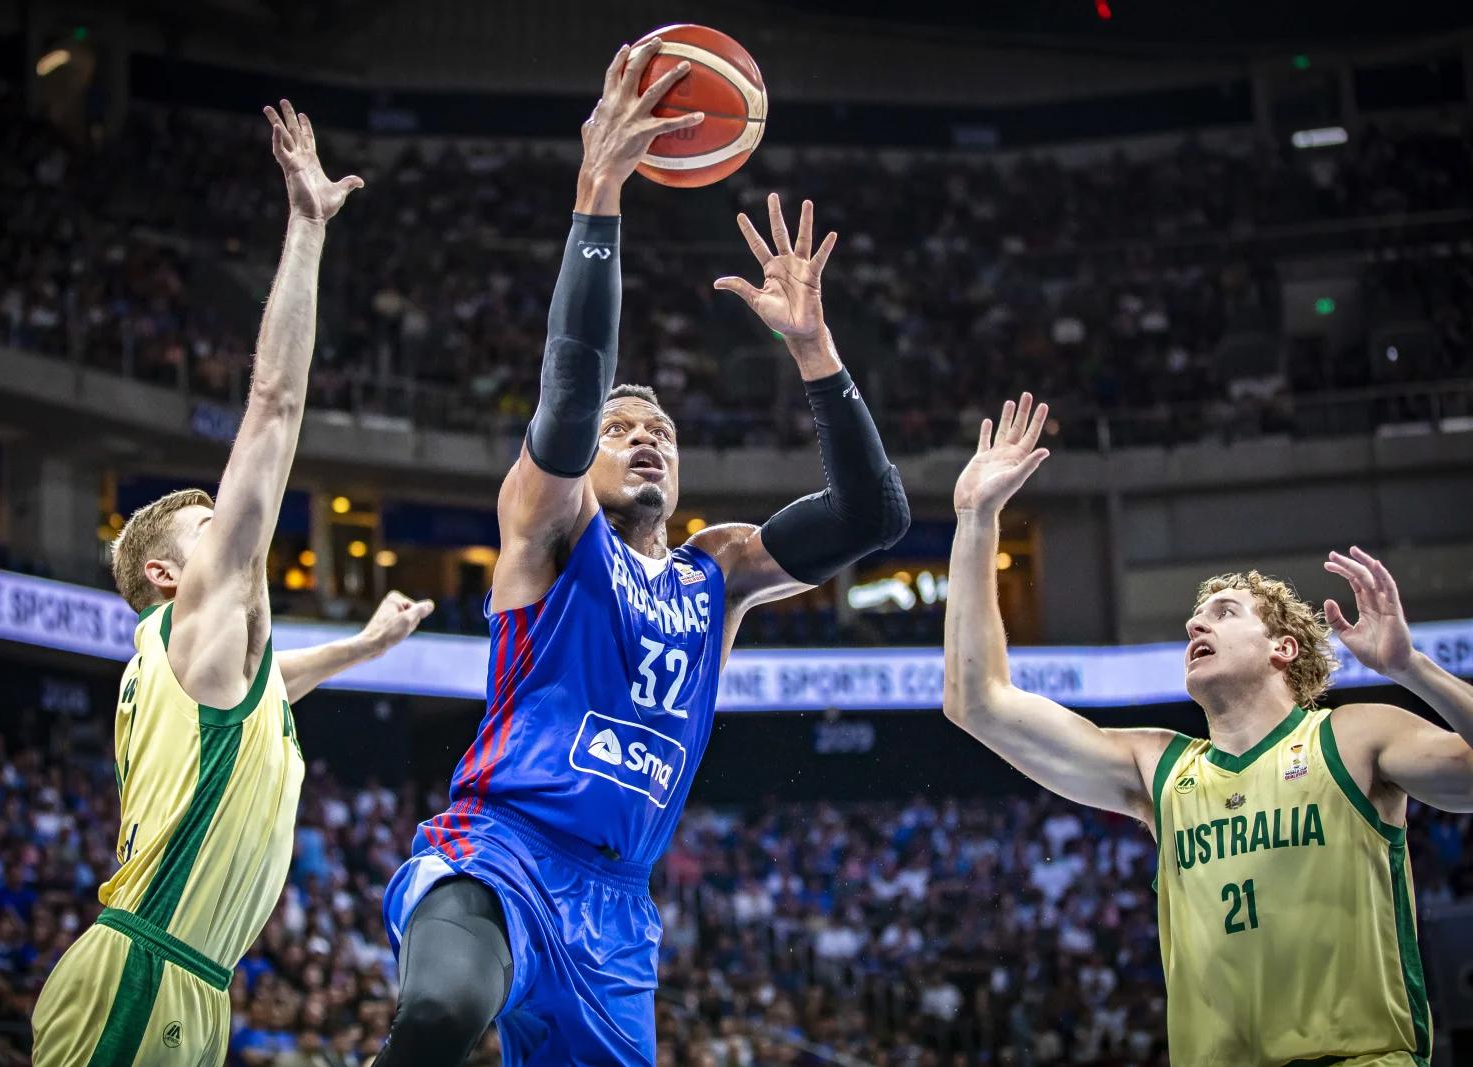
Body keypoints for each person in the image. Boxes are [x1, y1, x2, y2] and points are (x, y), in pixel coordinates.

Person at [375, 37, 910, 1067]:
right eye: (625, 429)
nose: (645, 433)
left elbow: (872, 516)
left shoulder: (720, 568)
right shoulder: (550, 523)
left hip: (617, 910)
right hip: (501, 850)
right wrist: (601, 186)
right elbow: (572, 388)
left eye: (660, 427)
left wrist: (813, 350)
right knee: (445, 1011)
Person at [31, 101, 434, 1066]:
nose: (237, 541)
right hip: (144, 971)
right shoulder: (197, 623)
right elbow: (274, 404)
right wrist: (306, 228)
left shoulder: (207, 671)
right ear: (169, 577)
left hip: (191, 981)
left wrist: (367, 647)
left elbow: (273, 689)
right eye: (214, 530)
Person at [944, 392, 1473, 1066]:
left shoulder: (1351, 738)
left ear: (1282, 647)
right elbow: (977, 702)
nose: (1195, 624)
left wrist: (1413, 668)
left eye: (1222, 612)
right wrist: (976, 517)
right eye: (1195, 617)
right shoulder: (1159, 768)